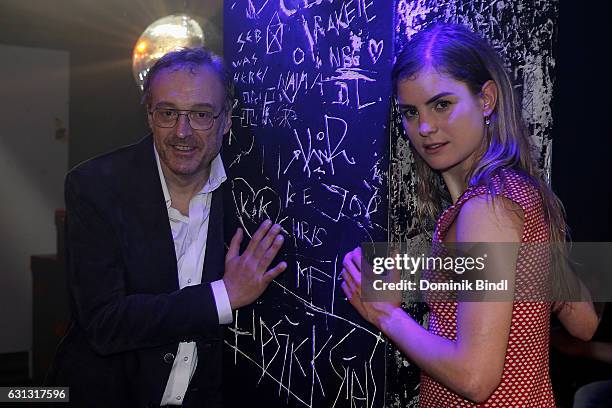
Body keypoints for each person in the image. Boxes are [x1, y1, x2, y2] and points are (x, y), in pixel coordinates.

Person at [341, 24, 598, 406]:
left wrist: (387, 316)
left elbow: (476, 377)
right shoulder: (518, 192)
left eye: (442, 104)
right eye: (410, 112)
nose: (425, 127)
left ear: (486, 99)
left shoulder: (487, 209)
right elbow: (585, 322)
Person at [46, 47, 287, 407]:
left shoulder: (247, 197)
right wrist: (224, 295)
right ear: (149, 116)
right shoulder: (95, 187)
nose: (182, 131)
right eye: (168, 113)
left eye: (201, 114)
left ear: (226, 121)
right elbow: (104, 322)